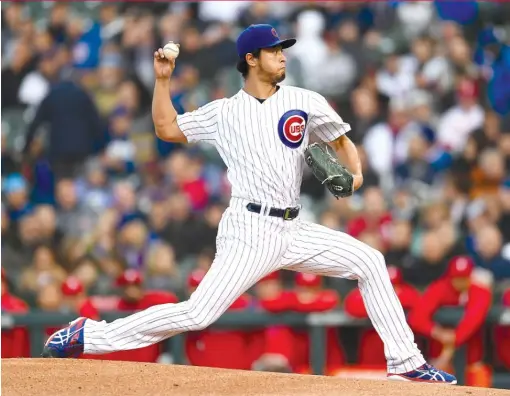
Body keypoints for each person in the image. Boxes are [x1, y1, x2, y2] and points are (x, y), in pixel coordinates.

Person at [43, 24, 456, 384]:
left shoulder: (304, 100)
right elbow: (166, 128)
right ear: (251, 59)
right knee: (197, 314)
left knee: (370, 262)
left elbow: (342, 141)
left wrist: (358, 175)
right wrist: (163, 81)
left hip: (293, 227)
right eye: (274, 51)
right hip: (249, 229)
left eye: (282, 49)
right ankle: (89, 335)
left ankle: (406, 363)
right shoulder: (224, 113)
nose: (281, 56)